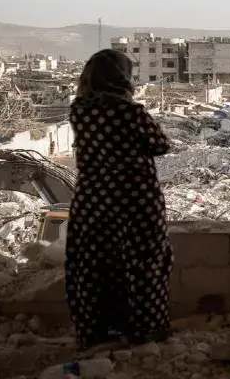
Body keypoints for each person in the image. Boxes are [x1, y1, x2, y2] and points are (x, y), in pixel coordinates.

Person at [65, 49, 172, 347]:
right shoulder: (130, 112)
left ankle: (94, 329)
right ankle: (144, 329)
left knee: (95, 262)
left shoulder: (78, 109)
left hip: (93, 198)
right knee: (143, 261)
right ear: (120, 77)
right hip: (134, 198)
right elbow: (160, 145)